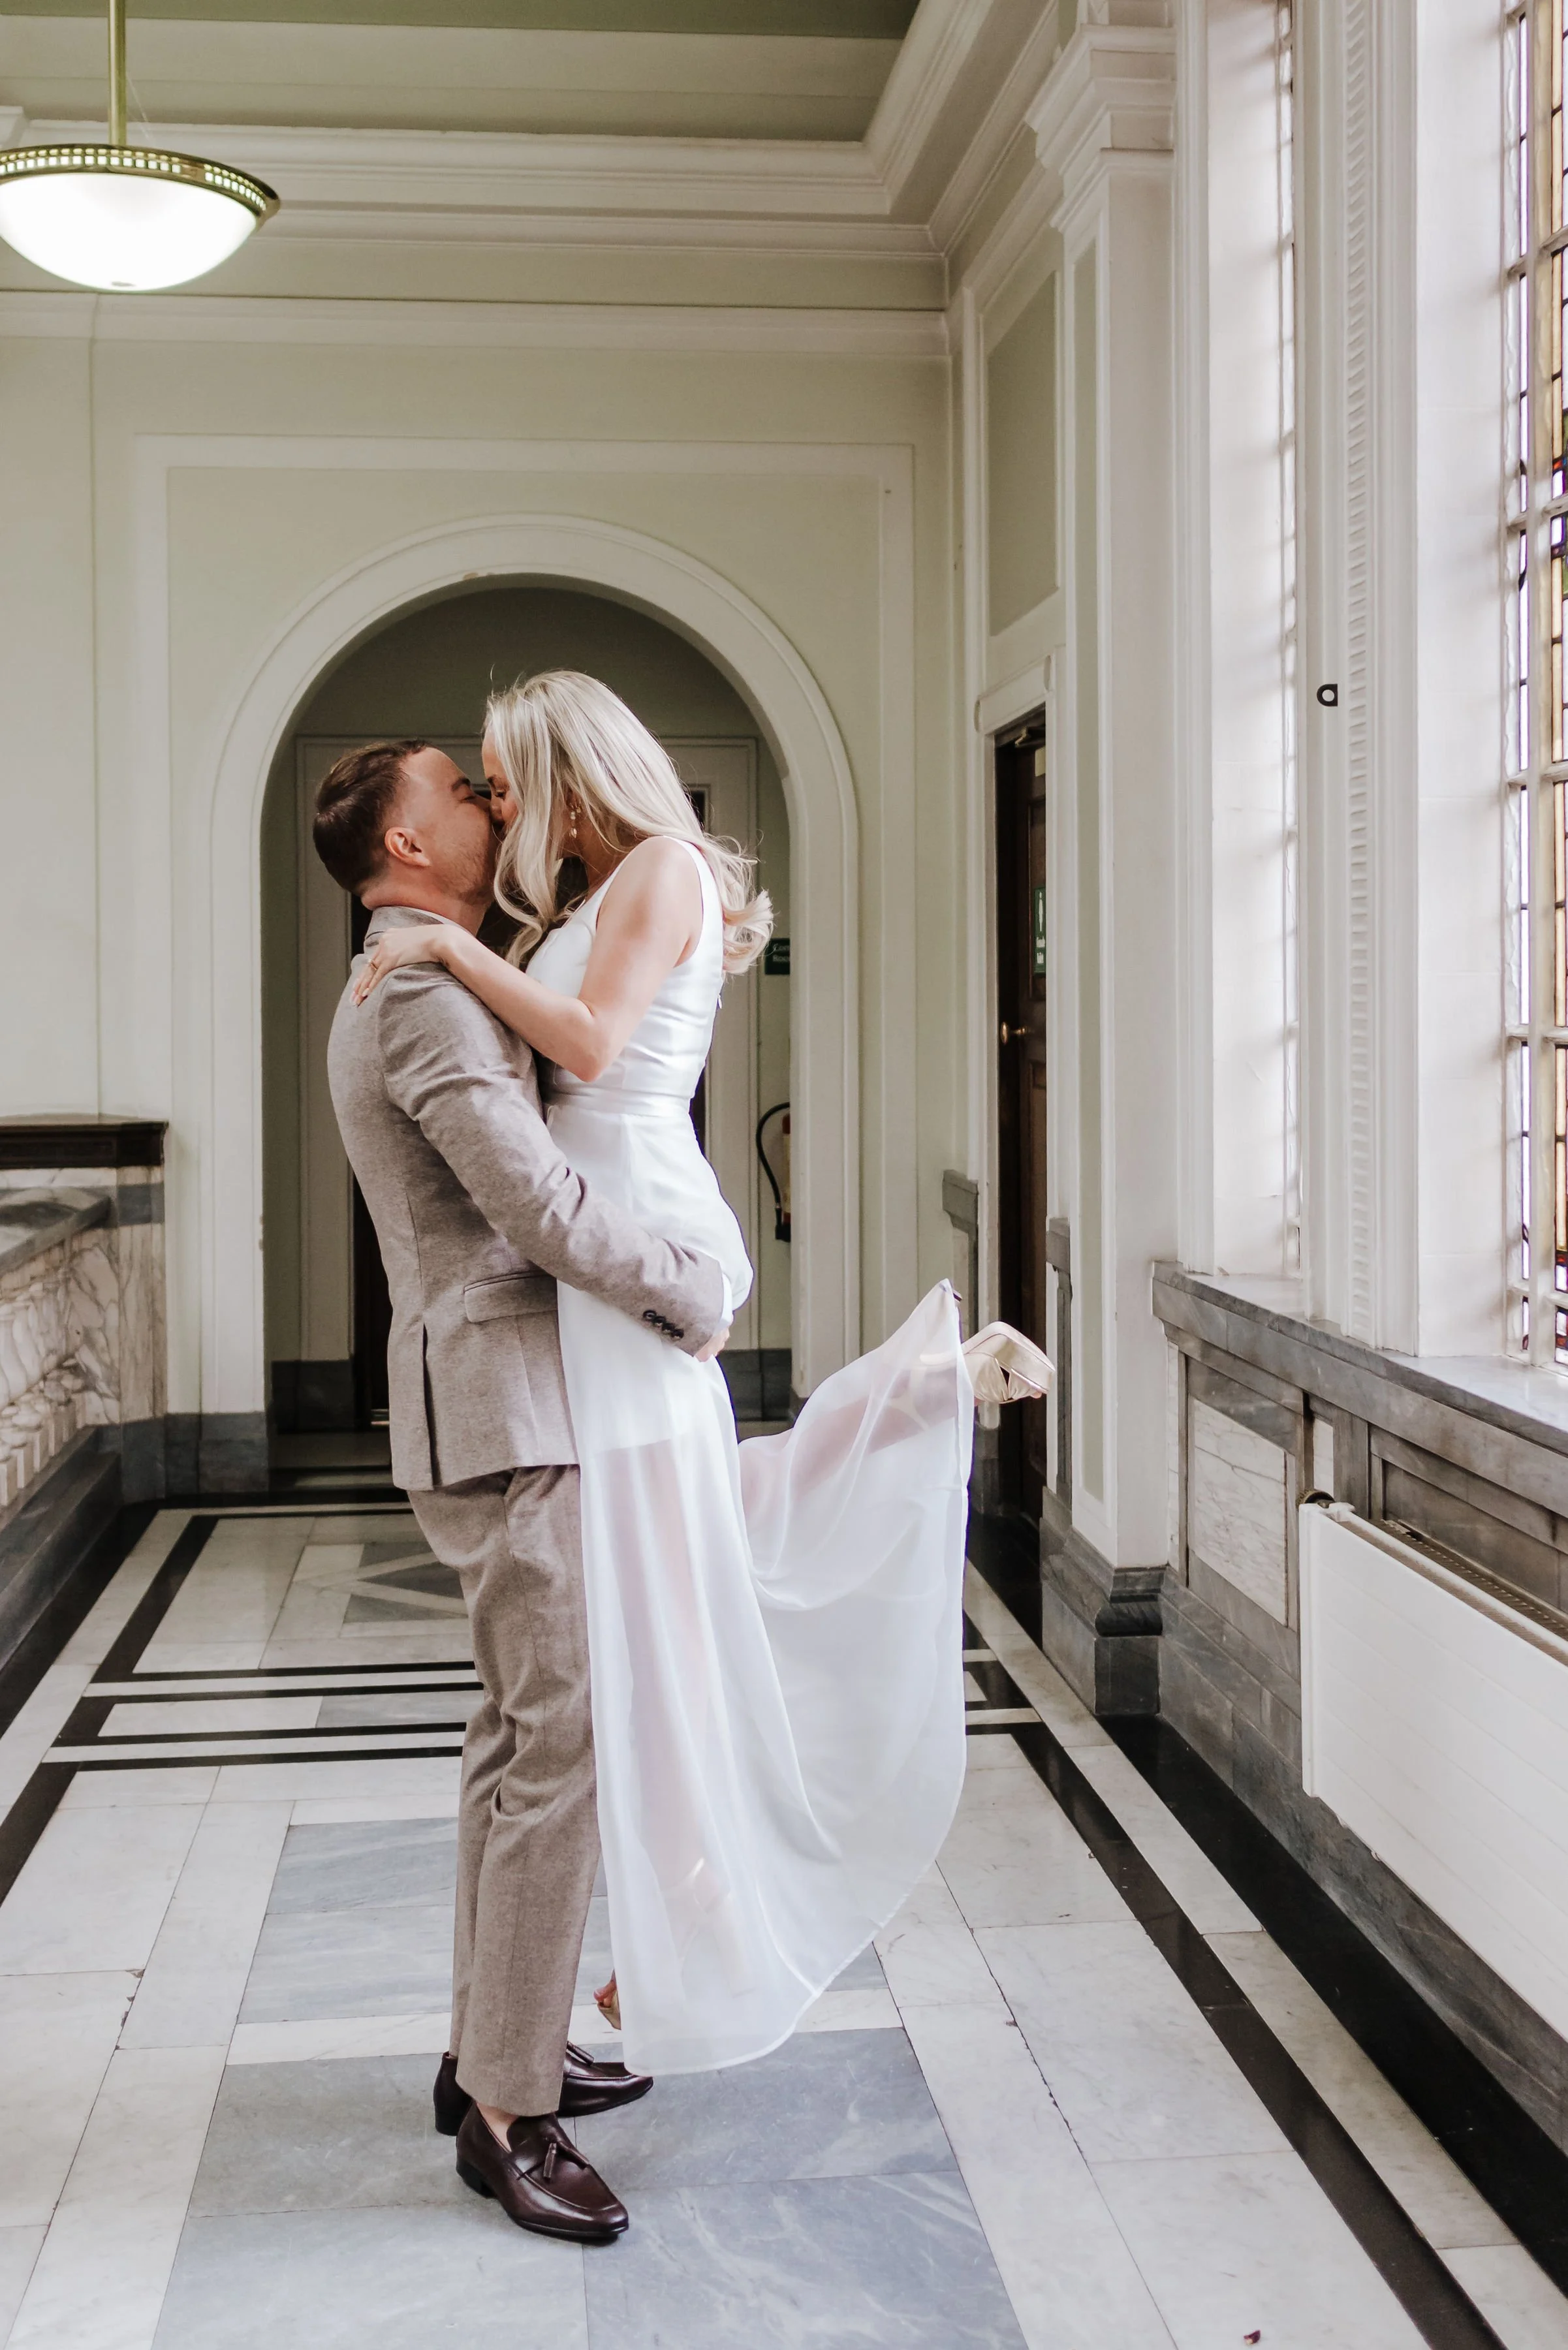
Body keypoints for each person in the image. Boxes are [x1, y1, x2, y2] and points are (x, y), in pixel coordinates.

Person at [353, 673, 1052, 2090]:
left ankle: (625, 1970)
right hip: (586, 1292)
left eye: (502, 777)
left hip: (633, 1253)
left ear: (563, 769)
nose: (493, 801)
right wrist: (461, 952)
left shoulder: (653, 872)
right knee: (624, 1638)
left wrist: (443, 952)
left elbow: (597, 1053)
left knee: (655, 1611)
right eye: (472, 787)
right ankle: (548, 2021)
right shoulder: (557, 913)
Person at [317, 736, 738, 2248]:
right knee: (558, 1745)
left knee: (519, 1744)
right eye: (461, 790)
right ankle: (511, 2115)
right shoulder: (422, 991)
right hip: (507, 1408)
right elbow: (535, 1206)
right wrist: (686, 1289)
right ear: (407, 845)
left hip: (504, 1401)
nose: (491, 805)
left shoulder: (431, 967)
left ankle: (490, 2048)